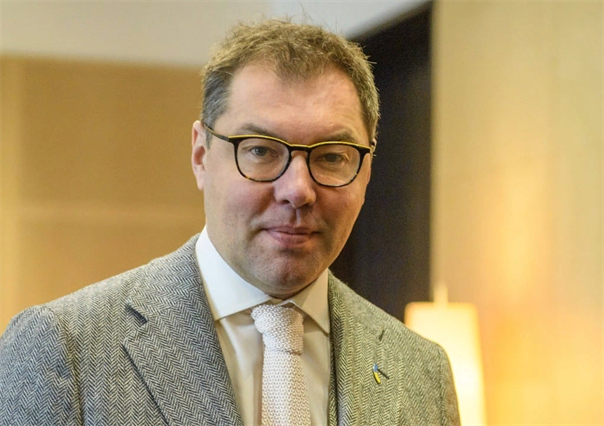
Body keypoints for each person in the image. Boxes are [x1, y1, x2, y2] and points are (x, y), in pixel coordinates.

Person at [0, 19, 460, 426]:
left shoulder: (421, 372)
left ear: (367, 170)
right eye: (260, 150)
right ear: (201, 155)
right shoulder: (65, 351)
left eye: (332, 157)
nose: (298, 190)